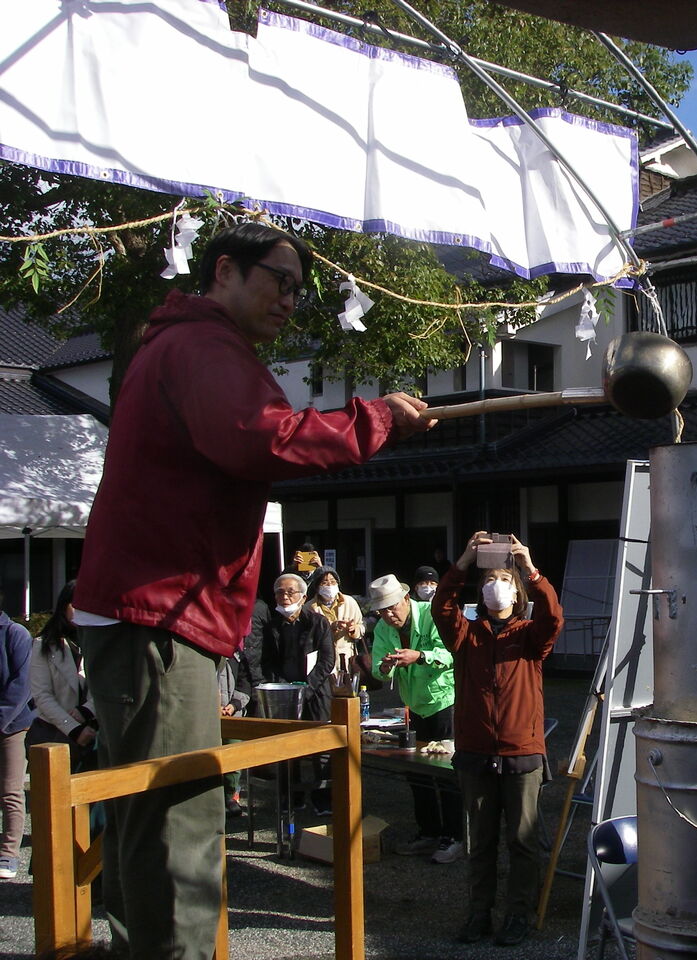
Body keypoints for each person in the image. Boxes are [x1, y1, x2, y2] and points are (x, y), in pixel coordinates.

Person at [72, 221, 435, 959]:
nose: (291, 300)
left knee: (147, 816)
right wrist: (376, 421)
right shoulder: (203, 346)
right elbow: (263, 436)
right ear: (224, 270)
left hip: (145, 612)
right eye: (280, 280)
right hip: (157, 614)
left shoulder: (181, 344)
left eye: (300, 289)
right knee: (180, 821)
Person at [433, 532, 563, 948]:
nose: (496, 584)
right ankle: (479, 913)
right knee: (481, 841)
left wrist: (530, 570)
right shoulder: (466, 635)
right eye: (490, 578)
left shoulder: (529, 636)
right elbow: (442, 607)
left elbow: (553, 617)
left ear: (517, 591)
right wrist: (464, 562)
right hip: (475, 751)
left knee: (522, 841)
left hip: (521, 751)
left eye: (505, 579)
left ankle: (519, 914)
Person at [366, 574, 462, 862]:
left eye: (392, 607)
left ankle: (454, 836)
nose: (389, 615)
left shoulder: (432, 615)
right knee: (417, 773)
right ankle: (428, 832)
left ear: (406, 599)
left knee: (446, 771)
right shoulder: (383, 628)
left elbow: (453, 653)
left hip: (444, 702)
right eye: (382, 611)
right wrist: (384, 668)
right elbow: (377, 669)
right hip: (413, 705)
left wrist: (420, 655)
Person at [254, 572, 336, 813]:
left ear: (303, 596)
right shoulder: (271, 625)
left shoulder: (317, 622)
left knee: (321, 747)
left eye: (290, 592)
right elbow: (267, 661)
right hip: (285, 694)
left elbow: (327, 660)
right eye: (279, 592)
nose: (285, 597)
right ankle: (292, 798)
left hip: (316, 692)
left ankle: (323, 799)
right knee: (289, 747)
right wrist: (285, 687)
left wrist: (307, 688)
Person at [27, 581, 98, 774]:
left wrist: (87, 711)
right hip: (55, 734)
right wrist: (74, 729)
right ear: (63, 606)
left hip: (95, 733)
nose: (81, 611)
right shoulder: (43, 645)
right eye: (75, 605)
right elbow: (42, 696)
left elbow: (109, 685)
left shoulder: (99, 641)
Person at [0, 592, 34, 881]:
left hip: (12, 726)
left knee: (11, 791)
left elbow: (22, 685)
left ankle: (9, 853)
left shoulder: (16, 634)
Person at [308, 566, 376, 691]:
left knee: (349, 695)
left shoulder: (349, 602)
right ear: (317, 586)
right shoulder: (309, 608)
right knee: (326, 694)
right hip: (322, 661)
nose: (330, 585)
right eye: (325, 582)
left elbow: (361, 626)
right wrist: (329, 629)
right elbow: (308, 637)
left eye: (333, 581)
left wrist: (354, 629)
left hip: (347, 659)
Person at [217, 647, 251, 818]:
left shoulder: (238, 655)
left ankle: (231, 796)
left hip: (233, 714)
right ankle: (215, 801)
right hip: (208, 714)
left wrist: (234, 704)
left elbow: (245, 683)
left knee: (233, 761)